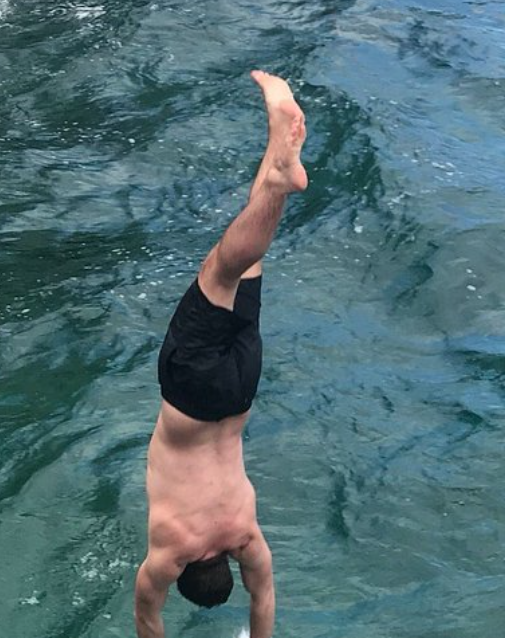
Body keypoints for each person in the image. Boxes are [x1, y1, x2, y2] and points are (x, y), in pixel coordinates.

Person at [135, 70, 308, 638]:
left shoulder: (246, 538)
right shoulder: (169, 552)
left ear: (227, 566)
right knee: (222, 266)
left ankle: (275, 154)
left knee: (245, 266)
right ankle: (279, 170)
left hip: (239, 392)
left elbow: (264, 601)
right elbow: (147, 618)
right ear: (186, 571)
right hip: (193, 392)